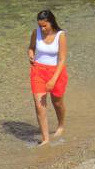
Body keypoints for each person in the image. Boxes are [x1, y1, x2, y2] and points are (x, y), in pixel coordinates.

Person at [28, 9, 68, 145]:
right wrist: (31, 54)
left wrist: (53, 80)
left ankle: (61, 125)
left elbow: (62, 60)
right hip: (37, 71)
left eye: (44, 25)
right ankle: (45, 139)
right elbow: (31, 47)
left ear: (51, 22)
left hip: (56, 72)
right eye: (40, 26)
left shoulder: (60, 35)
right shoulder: (35, 33)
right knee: (39, 106)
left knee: (57, 103)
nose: (42, 28)